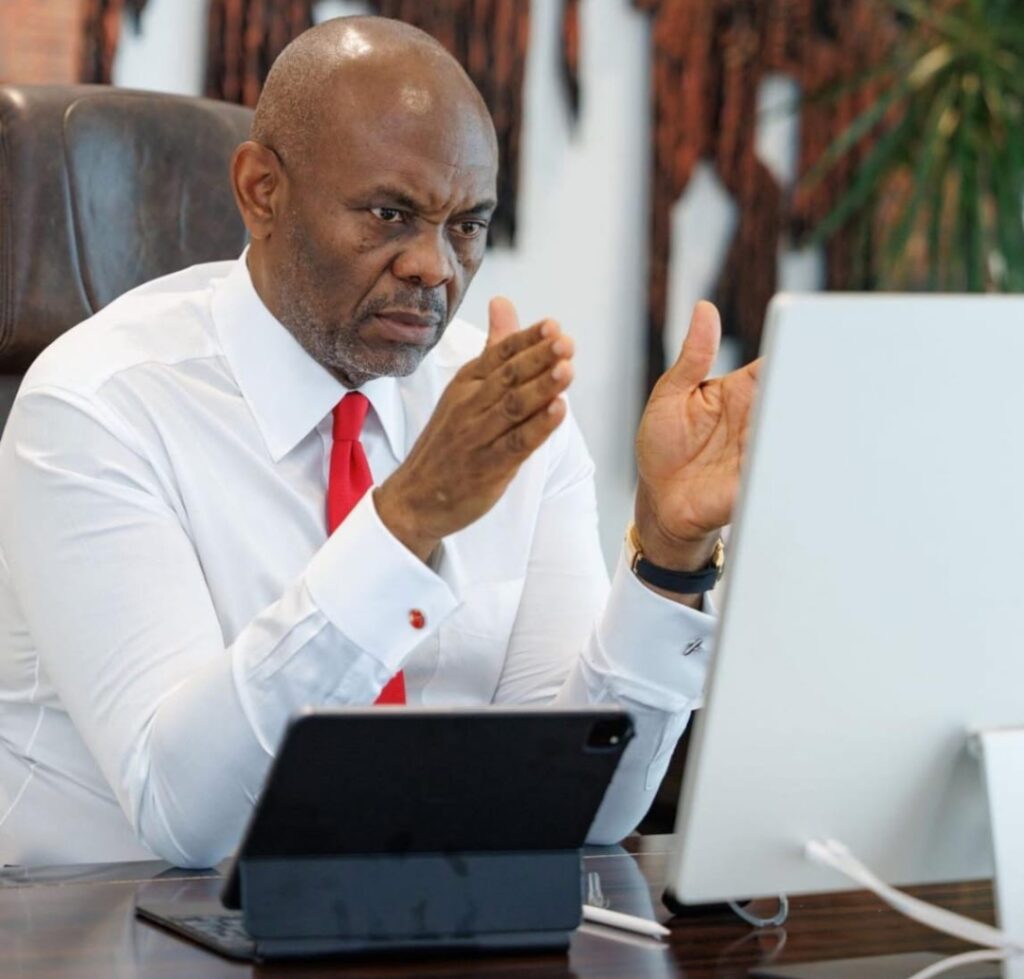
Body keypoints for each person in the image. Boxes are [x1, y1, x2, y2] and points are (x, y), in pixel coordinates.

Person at [0, 16, 758, 868]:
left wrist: (669, 553)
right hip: (109, 915)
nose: (435, 266)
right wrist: (405, 521)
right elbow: (184, 816)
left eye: (466, 225)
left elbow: (579, 804)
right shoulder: (96, 408)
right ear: (261, 191)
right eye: (391, 214)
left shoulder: (503, 411)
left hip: (421, 910)